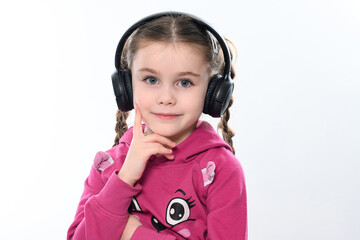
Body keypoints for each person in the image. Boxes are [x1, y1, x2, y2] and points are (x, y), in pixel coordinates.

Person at [67, 12, 247, 240]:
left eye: (184, 82)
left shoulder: (220, 171)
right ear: (126, 86)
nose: (166, 98)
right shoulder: (110, 164)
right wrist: (124, 178)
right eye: (151, 80)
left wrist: (132, 232)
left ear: (213, 93)